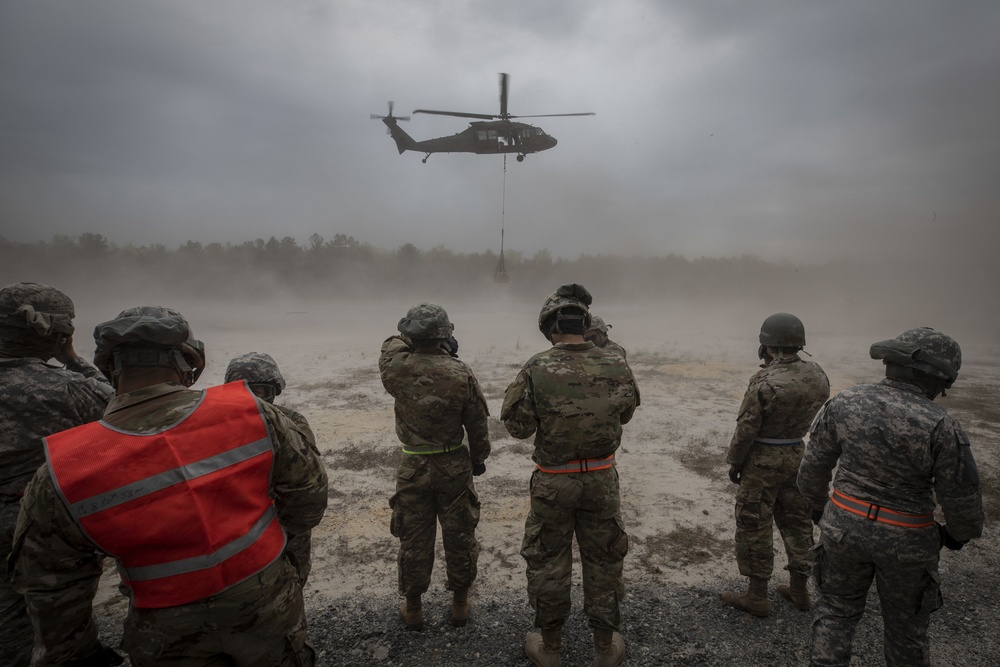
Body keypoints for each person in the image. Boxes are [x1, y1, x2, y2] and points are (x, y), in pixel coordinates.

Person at [10, 306, 329, 667]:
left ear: (110, 368)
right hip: (265, 603)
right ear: (188, 363)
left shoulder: (64, 467)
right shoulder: (253, 416)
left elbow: (54, 586)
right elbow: (308, 502)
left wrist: (77, 651)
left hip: (162, 628)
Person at [798, 327, 983, 667]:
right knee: (906, 632)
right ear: (932, 377)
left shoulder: (846, 401)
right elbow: (963, 501)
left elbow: (811, 469)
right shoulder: (943, 425)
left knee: (836, 614)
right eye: (943, 384)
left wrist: (820, 510)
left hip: (842, 530)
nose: (941, 393)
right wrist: (955, 536)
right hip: (907, 544)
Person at [501, 284, 639, 667]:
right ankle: (603, 648)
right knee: (605, 560)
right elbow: (625, 413)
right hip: (601, 480)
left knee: (547, 561)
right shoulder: (616, 363)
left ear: (550, 326)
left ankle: (550, 648)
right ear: (586, 323)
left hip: (552, 482)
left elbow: (517, 426)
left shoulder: (537, 366)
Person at [0, 282, 114, 667]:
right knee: (58, 631)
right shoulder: (68, 390)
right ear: (59, 333)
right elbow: (126, 411)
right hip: (38, 530)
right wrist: (73, 359)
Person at [379, 303, 491, 631]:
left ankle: (413, 608)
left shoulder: (396, 369)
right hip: (454, 462)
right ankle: (460, 604)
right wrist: (478, 459)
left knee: (414, 537)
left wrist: (409, 342)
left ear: (411, 335)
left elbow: (389, 345)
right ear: (446, 335)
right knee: (459, 534)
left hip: (413, 463)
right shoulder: (461, 372)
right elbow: (478, 426)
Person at [722, 313, 830, 617]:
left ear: (767, 345)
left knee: (754, 522)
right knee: (797, 521)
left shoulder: (764, 380)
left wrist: (735, 462)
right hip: (797, 453)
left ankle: (757, 596)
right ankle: (799, 590)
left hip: (762, 460)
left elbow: (747, 428)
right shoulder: (818, 374)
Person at [225, 351, 318, 587]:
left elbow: (308, 474)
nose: (255, 399)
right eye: (247, 390)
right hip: (238, 524)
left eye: (261, 391)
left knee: (292, 581)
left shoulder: (291, 421)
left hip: (282, 520)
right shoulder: (219, 423)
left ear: (274, 391)